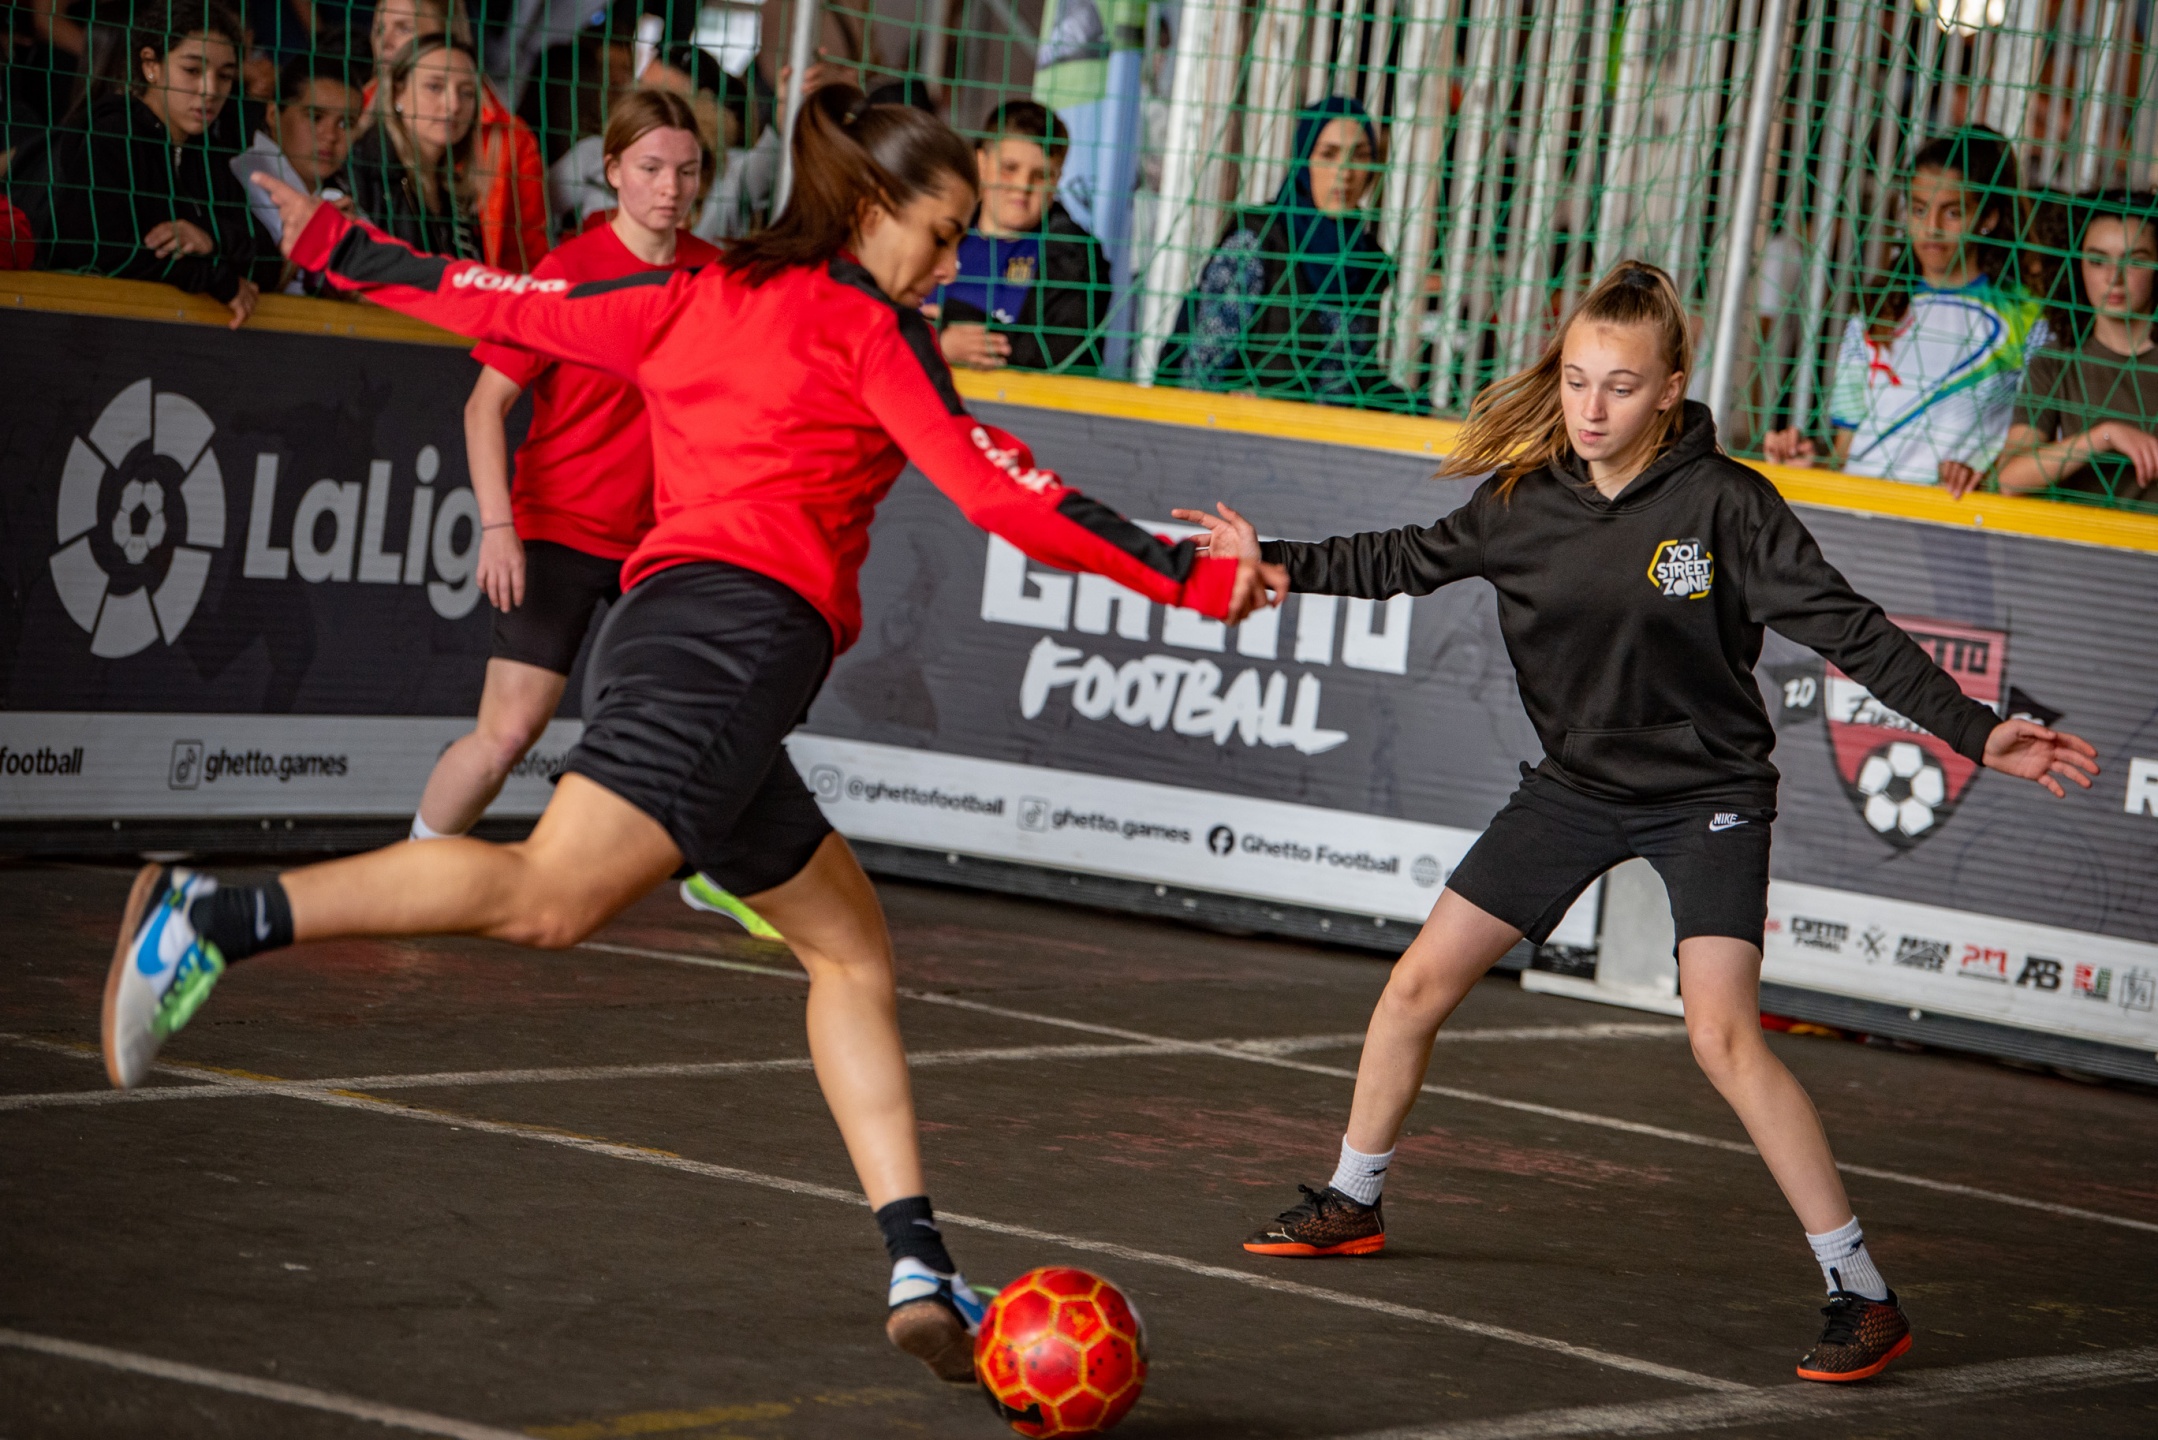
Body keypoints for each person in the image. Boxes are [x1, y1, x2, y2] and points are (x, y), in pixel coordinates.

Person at [111, 84, 1276, 1383]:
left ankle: (916, 1260)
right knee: (550, 899)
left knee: (849, 952)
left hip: (678, 636)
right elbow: (999, 493)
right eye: (941, 233)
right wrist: (1194, 581)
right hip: (730, 651)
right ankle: (215, 917)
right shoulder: (870, 330)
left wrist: (336, 245)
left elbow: (507, 304)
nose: (952, 263)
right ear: (872, 208)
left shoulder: (699, 292)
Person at [1178, 260, 2097, 1385]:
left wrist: (1975, 730)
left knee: (1721, 1037)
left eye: (1620, 386)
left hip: (1708, 794)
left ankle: (1861, 1292)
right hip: (1575, 786)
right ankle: (1352, 1199)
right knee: (1415, 985)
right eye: (1576, 381)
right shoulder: (1522, 503)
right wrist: (1271, 561)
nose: (1591, 408)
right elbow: (1400, 559)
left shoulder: (1727, 506)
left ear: (1669, 388)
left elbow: (1849, 629)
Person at [409, 88, 719, 846]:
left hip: (664, 546)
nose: (671, 188)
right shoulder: (569, 271)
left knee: (706, 723)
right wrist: (498, 529)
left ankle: (715, 876)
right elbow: (483, 407)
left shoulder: (717, 278)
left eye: (687, 171)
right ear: (613, 170)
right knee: (508, 734)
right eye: (651, 168)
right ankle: (410, 867)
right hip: (560, 533)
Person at [1764, 128, 2048, 497]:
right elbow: (1845, 451)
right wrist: (1805, 463)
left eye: (1952, 212)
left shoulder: (2026, 314)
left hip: (1955, 516)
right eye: (1918, 209)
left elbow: (2031, 439)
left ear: (1988, 217)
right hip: (1861, 508)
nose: (1932, 228)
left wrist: (1986, 476)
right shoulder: (1876, 308)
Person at [1168, 94, 1414, 411]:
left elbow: (1356, 383)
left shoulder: (1366, 262)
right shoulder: (1257, 243)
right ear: (1304, 159)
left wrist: (1423, 410)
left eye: (1360, 155)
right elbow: (1200, 371)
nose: (1345, 172)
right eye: (1328, 154)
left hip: (1330, 438)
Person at [39, 0, 259, 328]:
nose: (210, 90)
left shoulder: (211, 156)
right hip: (83, 334)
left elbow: (265, 259)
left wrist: (209, 238)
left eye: (225, 76)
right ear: (150, 65)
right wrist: (215, 276)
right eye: (192, 70)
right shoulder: (113, 134)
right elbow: (101, 253)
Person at [1997, 191, 2158, 505]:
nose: (2114, 278)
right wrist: (2105, 436)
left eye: (2135, 261)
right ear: (2075, 264)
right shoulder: (2055, 361)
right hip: (2080, 535)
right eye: (2097, 260)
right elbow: (2010, 477)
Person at [367, 0, 546, 269]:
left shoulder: (509, 139)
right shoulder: (348, 115)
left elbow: (527, 257)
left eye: (404, 28)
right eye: (379, 29)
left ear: (445, 31)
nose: (386, 42)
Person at [932, 99, 1104, 375]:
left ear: (1057, 179)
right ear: (982, 163)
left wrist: (945, 328)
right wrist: (939, 342)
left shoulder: (1074, 259)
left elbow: (1062, 357)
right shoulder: (935, 229)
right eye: (1009, 168)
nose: (1022, 186)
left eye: (1040, 175)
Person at [345, 33, 480, 259]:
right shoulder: (362, 168)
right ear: (397, 93)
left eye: (467, 92)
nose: (454, 104)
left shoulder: (456, 190)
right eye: (434, 87)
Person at [230, 52, 355, 280]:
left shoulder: (343, 196)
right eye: (315, 117)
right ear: (273, 114)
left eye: (345, 123)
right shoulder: (239, 180)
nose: (331, 136)